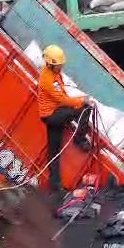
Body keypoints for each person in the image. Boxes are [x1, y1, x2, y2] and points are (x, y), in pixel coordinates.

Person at [37, 45, 94, 192]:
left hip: (55, 113)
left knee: (53, 150)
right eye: (58, 65)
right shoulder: (47, 79)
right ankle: (79, 139)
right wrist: (82, 100)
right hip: (52, 115)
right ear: (49, 64)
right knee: (84, 108)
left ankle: (55, 184)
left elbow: (63, 97)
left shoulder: (56, 74)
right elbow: (62, 99)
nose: (60, 67)